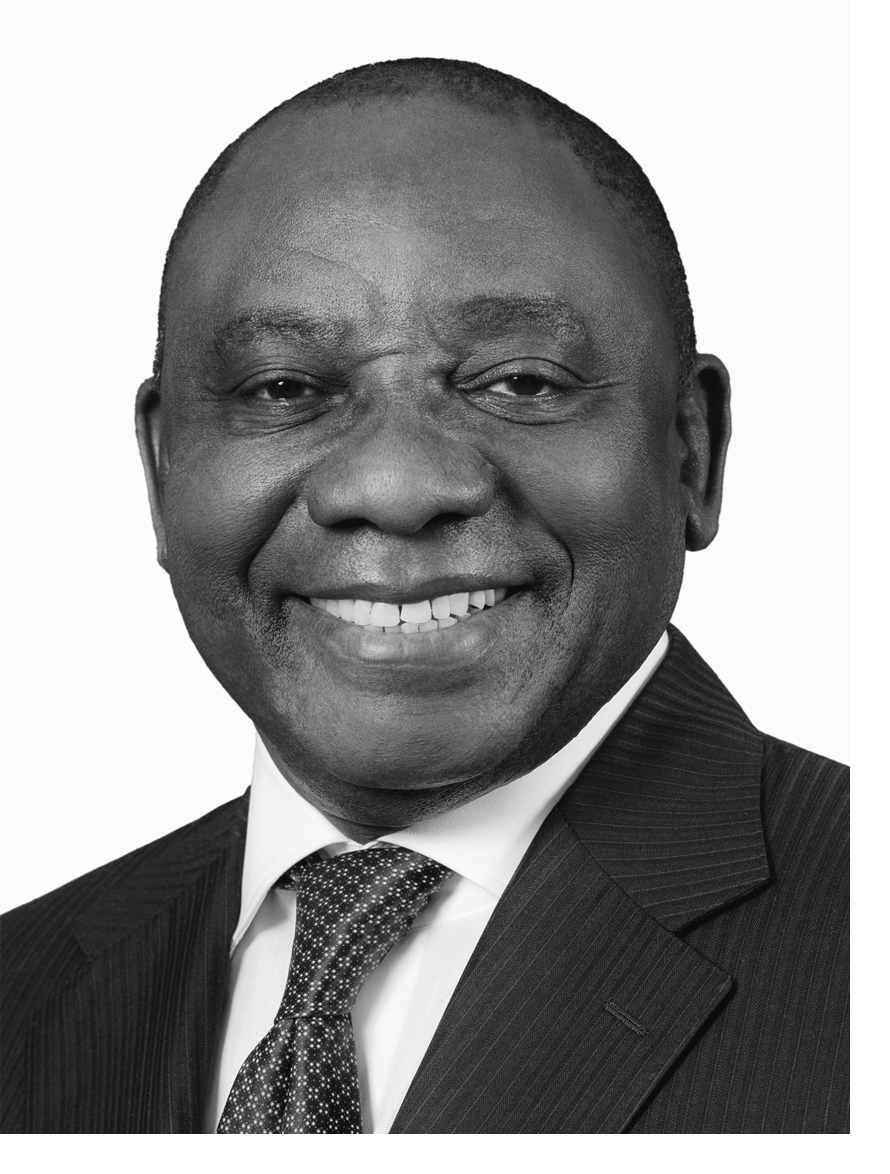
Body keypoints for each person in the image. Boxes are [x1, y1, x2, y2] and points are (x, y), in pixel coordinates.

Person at [0, 58, 848, 1134]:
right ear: (162, 470)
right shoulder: (23, 983)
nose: (395, 488)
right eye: (282, 389)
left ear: (691, 451)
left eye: (522, 382)